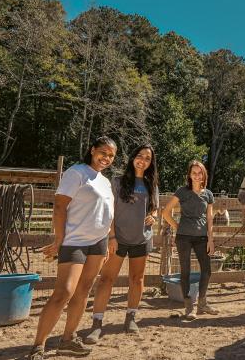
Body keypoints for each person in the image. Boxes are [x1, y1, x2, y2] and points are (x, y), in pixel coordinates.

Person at [29, 136, 117, 360]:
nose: (106, 158)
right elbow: (59, 206)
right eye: (103, 152)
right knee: (64, 292)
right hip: (75, 241)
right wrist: (59, 240)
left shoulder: (105, 181)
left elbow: (106, 213)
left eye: (111, 155)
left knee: (84, 290)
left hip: (98, 242)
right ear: (92, 150)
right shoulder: (76, 172)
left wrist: (108, 239)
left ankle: (68, 339)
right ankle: (38, 345)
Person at [84, 144, 160, 344]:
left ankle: (131, 317)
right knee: (106, 280)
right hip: (118, 240)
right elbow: (109, 212)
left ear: (151, 163)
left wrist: (153, 216)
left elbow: (154, 209)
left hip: (142, 239)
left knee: (137, 279)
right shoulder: (117, 182)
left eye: (147, 158)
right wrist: (111, 236)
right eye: (140, 156)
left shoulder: (151, 185)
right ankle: (97, 323)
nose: (143, 160)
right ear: (133, 157)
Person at [162, 160, 219, 320]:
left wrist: (211, 239)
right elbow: (165, 212)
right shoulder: (182, 191)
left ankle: (202, 303)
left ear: (204, 175)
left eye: (200, 173)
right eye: (194, 172)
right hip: (184, 238)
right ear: (189, 175)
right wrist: (177, 227)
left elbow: (209, 218)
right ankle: (189, 307)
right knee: (185, 271)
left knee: (206, 270)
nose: (197, 175)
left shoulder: (208, 194)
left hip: (202, 238)